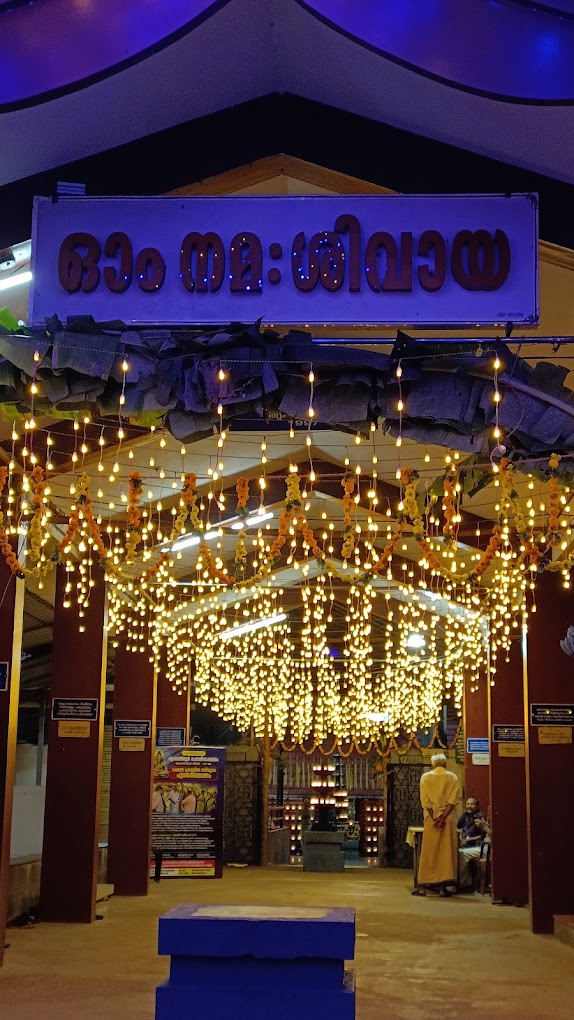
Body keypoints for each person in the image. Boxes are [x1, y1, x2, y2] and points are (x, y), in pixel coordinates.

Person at [413, 753, 460, 898]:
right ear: (445, 764)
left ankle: (423, 886)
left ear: (433, 764)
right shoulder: (453, 777)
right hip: (448, 818)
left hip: (431, 818)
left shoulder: (425, 778)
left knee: (428, 851)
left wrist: (435, 818)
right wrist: (443, 817)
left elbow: (425, 802)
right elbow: (453, 800)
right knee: (446, 852)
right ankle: (442, 888)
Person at [459, 816, 492, 890]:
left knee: (462, 853)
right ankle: (463, 882)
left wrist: (484, 827)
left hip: (489, 848)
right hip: (483, 846)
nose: (489, 810)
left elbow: (495, 839)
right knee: (460, 852)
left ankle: (463, 884)